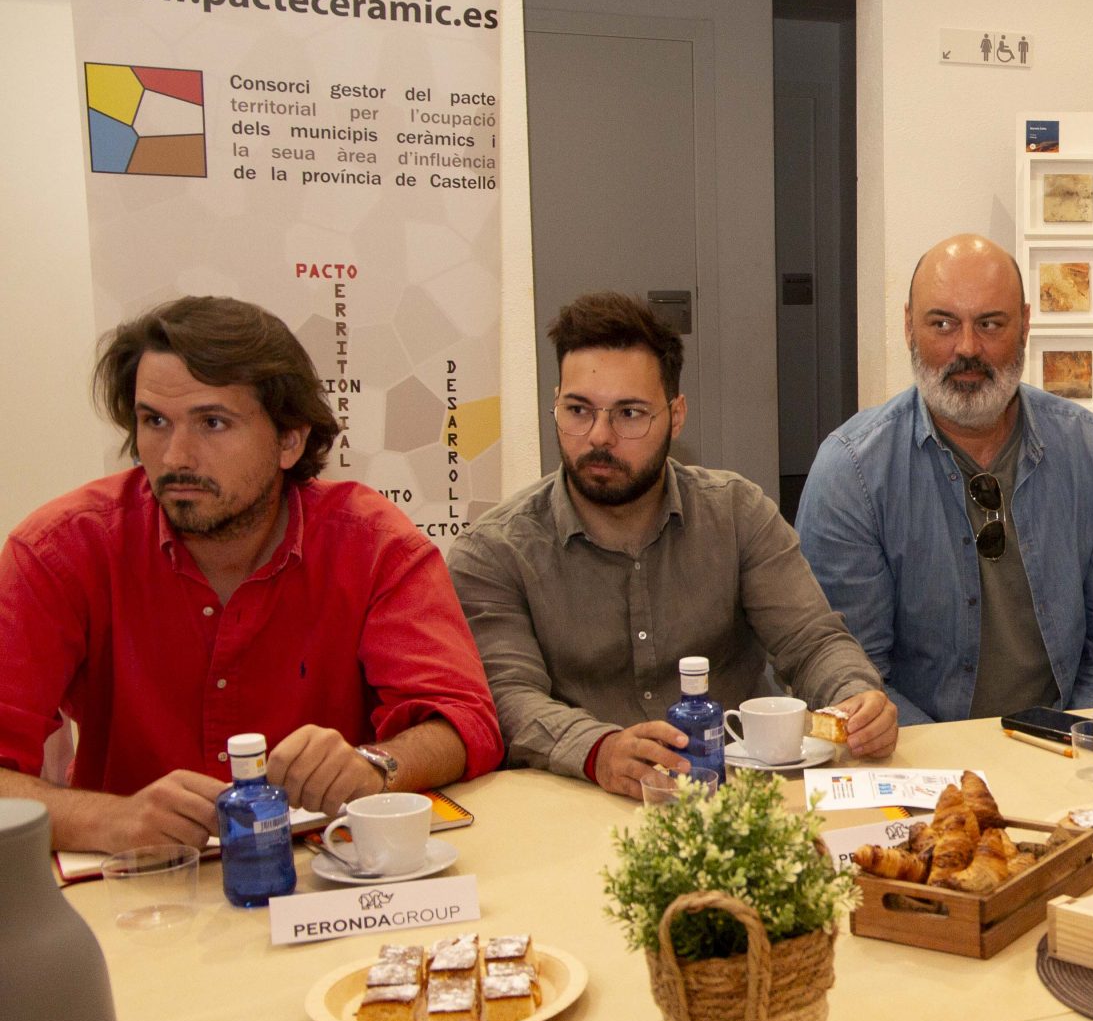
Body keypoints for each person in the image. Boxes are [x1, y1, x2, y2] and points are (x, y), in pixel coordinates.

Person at [0, 296, 501, 852]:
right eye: (154, 422)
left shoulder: (372, 544)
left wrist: (375, 764)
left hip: (326, 872)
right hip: (143, 878)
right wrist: (111, 820)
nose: (175, 456)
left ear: (289, 440)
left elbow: (464, 722)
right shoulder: (59, 550)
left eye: (212, 423)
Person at [450, 293, 896, 798]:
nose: (599, 436)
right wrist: (599, 750)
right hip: (579, 799)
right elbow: (508, 697)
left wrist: (856, 697)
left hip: (738, 801)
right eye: (578, 410)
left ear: (676, 415)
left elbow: (812, 643)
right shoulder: (493, 551)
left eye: (629, 413)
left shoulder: (736, 513)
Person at [796, 235, 1093, 722]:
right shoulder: (851, 471)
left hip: (1063, 744)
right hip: (914, 755)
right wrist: (954, 761)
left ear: (1025, 326)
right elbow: (852, 673)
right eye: (942, 323)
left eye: (990, 324)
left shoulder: (1091, 452)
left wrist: (1071, 741)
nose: (966, 348)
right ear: (908, 327)